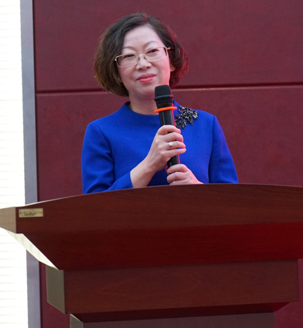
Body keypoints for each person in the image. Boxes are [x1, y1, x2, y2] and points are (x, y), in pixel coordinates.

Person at [82, 13, 238, 194]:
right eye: (129, 56)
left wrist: (197, 189)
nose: (143, 64)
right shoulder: (101, 132)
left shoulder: (205, 125)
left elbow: (232, 202)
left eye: (152, 51)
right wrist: (149, 165)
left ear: (171, 60)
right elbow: (94, 207)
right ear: (116, 73)